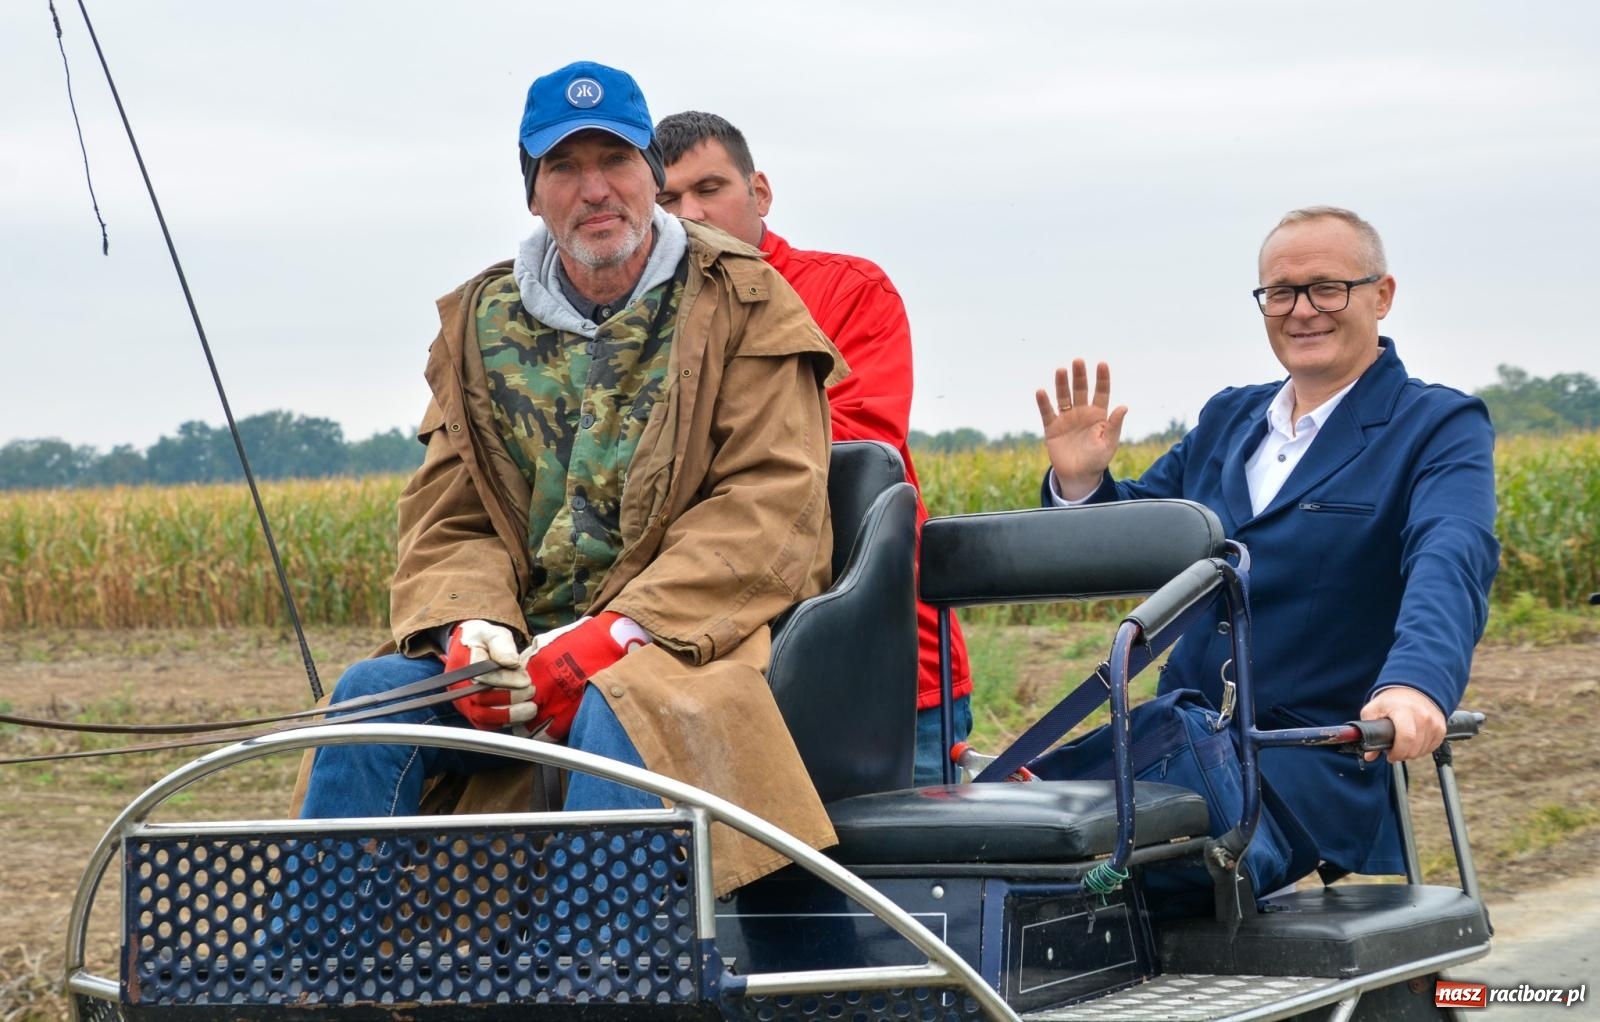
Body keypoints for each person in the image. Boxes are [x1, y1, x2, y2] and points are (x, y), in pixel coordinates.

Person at [297, 61, 846, 896]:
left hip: (692, 645)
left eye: (616, 162)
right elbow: (452, 514)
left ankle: (596, 974)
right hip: (522, 647)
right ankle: (308, 970)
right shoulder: (479, 327)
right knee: (372, 694)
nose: (596, 190)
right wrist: (470, 627)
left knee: (622, 705)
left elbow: (771, 506)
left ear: (651, 181)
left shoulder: (745, 300)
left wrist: (619, 633)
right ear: (533, 194)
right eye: (565, 168)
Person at [1036, 207, 1499, 879]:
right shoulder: (1230, 417)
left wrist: (1415, 688)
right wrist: (1082, 486)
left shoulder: (1436, 425)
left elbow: (1450, 557)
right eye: (1280, 293)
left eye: (1326, 287)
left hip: (1306, 773)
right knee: (1019, 852)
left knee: (1085, 888)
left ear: (1382, 295)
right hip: (1175, 751)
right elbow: (1141, 532)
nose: (1302, 310)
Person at [654, 111, 973, 784]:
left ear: (760, 192)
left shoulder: (848, 292)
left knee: (894, 884)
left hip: (877, 665)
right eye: (667, 200)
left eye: (709, 188)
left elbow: (858, 448)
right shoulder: (639, 329)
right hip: (702, 666)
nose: (690, 213)